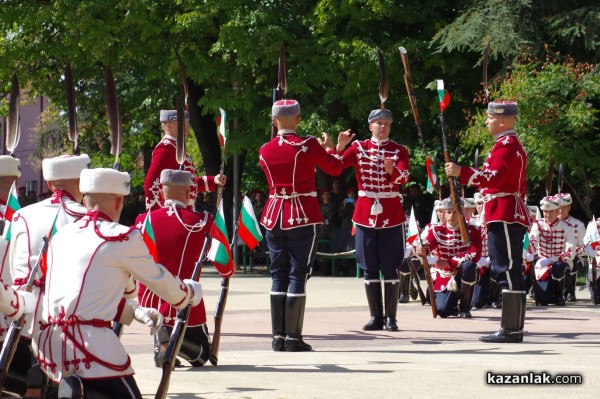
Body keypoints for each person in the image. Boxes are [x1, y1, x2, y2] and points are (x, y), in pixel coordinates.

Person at [33, 168, 203, 399]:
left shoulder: (60, 237)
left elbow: (84, 295)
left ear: (85, 199)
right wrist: (190, 292)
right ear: (118, 202)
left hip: (51, 348)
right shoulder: (122, 237)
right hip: (91, 348)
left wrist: (135, 311)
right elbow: (165, 286)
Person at [259, 99, 352, 352]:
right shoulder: (307, 145)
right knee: (297, 273)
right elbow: (334, 168)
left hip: (273, 215)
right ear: (298, 119)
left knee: (278, 274)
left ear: (274, 120)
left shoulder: (264, 149)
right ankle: (293, 337)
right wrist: (336, 148)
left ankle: (277, 337)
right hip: (301, 215)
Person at [445, 101, 532, 343]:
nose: (486, 121)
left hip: (504, 211)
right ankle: (512, 328)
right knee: (505, 268)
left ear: (503, 121)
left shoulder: (506, 146)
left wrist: (460, 171)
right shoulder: (504, 145)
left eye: (490, 117)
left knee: (507, 268)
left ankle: (511, 329)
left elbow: (493, 177)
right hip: (502, 209)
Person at [9, 154, 90, 398]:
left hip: (25, 315)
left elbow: (14, 269)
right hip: (71, 320)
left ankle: (37, 378)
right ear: (82, 182)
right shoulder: (87, 218)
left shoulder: (22, 215)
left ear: (51, 185)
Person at [135, 169, 235, 368]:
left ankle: (163, 340)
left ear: (163, 192)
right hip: (188, 301)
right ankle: (170, 341)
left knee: (167, 320)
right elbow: (225, 265)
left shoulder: (143, 220)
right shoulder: (203, 221)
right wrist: (228, 270)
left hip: (152, 301)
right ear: (189, 192)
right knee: (202, 356)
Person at [333, 108, 410, 332]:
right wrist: (340, 146)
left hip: (391, 214)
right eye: (378, 123)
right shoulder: (359, 148)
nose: (382, 126)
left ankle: (391, 318)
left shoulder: (399, 150)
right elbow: (335, 165)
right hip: (366, 213)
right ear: (370, 126)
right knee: (369, 267)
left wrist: (391, 170)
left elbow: (405, 176)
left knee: (390, 267)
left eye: (386, 122)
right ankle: (375, 316)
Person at [144, 109, 225, 211]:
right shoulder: (166, 148)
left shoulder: (177, 148)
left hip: (185, 209)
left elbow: (190, 183)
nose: (187, 128)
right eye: (183, 124)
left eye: (187, 124)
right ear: (169, 125)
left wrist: (213, 180)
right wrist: (159, 214)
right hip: (174, 211)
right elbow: (152, 183)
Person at [417, 198, 481, 318]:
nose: (452, 215)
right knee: (443, 310)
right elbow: (430, 244)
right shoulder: (437, 230)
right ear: (444, 213)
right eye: (448, 212)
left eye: (455, 212)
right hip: (445, 274)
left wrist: (449, 262)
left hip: (462, 272)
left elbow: (475, 253)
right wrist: (423, 250)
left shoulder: (473, 230)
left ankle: (465, 307)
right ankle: (452, 303)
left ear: (462, 212)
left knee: (469, 266)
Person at [530, 195, 576, 306]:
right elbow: (532, 241)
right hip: (542, 264)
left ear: (557, 211)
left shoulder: (568, 227)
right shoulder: (537, 225)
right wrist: (528, 253)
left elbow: (570, 252)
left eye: (551, 211)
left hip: (561, 262)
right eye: (545, 211)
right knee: (544, 300)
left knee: (558, 267)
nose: (547, 214)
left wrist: (552, 259)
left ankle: (559, 295)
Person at [557, 193, 585, 301]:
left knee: (575, 260)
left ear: (569, 207)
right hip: (554, 256)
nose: (560, 211)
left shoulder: (578, 224)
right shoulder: (549, 223)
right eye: (558, 208)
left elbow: (583, 244)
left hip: (572, 256)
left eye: (563, 208)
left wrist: (572, 251)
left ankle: (570, 291)